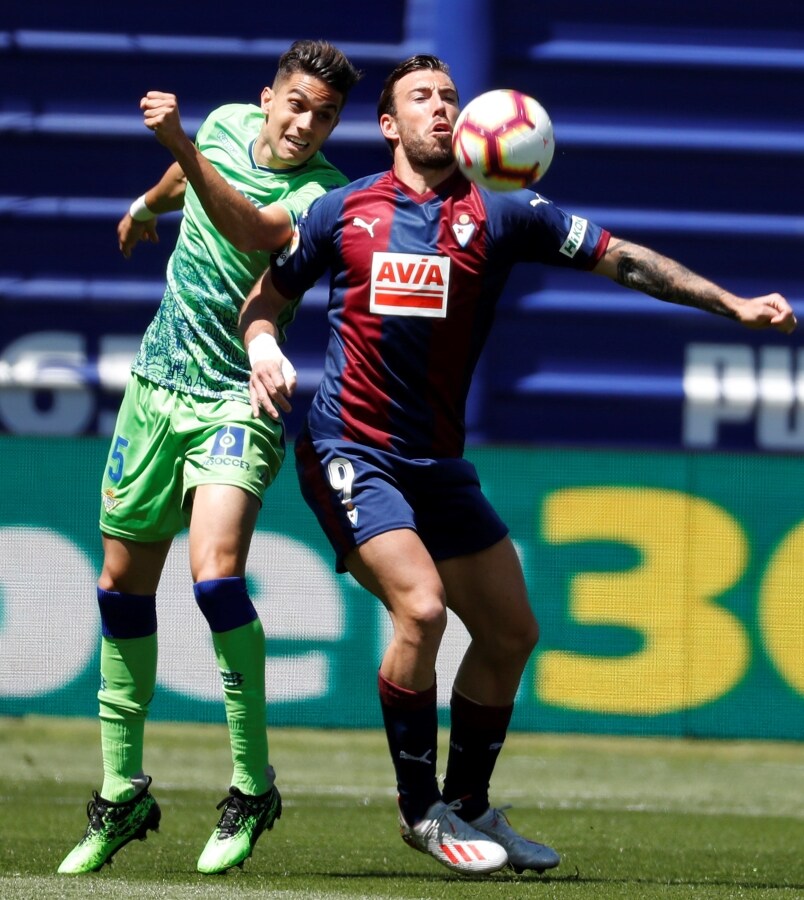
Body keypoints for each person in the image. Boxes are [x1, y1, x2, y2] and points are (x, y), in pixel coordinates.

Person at [237, 54, 797, 877]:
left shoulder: (503, 214)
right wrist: (260, 347)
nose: (442, 107)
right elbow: (268, 299)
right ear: (388, 125)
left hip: (437, 461)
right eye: (421, 97)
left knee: (509, 633)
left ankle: (468, 805)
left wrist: (734, 304)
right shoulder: (341, 211)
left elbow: (627, 260)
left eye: (451, 97)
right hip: (350, 447)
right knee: (422, 612)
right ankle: (418, 807)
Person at [57, 39, 362, 877]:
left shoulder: (323, 195)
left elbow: (250, 225)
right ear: (268, 98)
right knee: (121, 585)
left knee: (216, 577)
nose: (306, 123)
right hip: (156, 388)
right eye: (297, 103)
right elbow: (189, 186)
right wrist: (150, 201)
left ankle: (250, 784)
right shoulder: (225, 126)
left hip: (240, 396)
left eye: (325, 114)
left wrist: (180, 147)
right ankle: (122, 793)